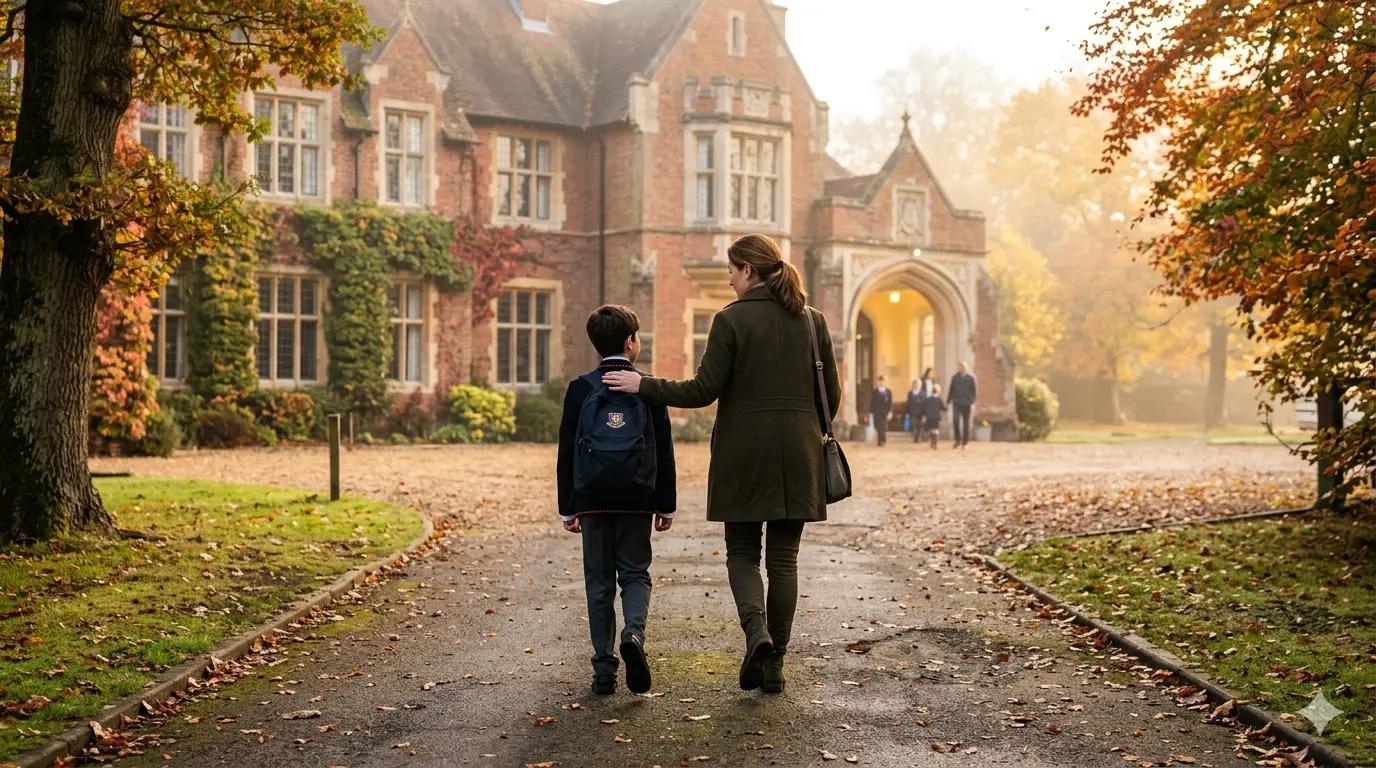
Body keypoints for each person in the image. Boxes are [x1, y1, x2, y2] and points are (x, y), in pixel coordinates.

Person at [603, 233, 840, 695]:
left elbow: (701, 390)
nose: (729, 280)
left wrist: (643, 385)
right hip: (800, 453)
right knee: (785, 560)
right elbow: (830, 396)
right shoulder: (813, 320)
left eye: (732, 271)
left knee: (742, 553)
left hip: (743, 452)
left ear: (748, 270)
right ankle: (776, 663)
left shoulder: (730, 319)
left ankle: (757, 634)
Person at [556, 305, 676, 696]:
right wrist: (665, 503)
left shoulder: (581, 388)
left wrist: (568, 506)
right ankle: (633, 634)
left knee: (599, 582)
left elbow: (566, 451)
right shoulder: (647, 387)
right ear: (630, 342)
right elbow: (663, 449)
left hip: (592, 497)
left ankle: (604, 671)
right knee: (635, 573)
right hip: (637, 495)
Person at [947, 361, 977, 448]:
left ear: (966, 368)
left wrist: (972, 401)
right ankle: (957, 440)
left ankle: (965, 442)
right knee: (955, 420)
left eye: (962, 366)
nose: (960, 368)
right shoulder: (954, 378)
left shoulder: (970, 378)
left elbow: (973, 391)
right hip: (956, 402)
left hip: (966, 403)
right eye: (959, 366)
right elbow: (951, 389)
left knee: (966, 423)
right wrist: (948, 400)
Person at [869, 376, 892, 446]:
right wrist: (871, 412)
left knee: (883, 426)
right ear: (877, 382)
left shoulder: (888, 392)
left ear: (884, 382)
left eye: (882, 382)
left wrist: (890, 412)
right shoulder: (875, 391)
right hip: (877, 412)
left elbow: (890, 403)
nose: (881, 383)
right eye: (879, 382)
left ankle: (880, 441)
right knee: (877, 426)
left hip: (885, 412)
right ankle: (882, 439)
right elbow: (872, 402)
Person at [921, 383, 945, 449]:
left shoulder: (927, 399)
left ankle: (932, 443)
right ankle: (935, 443)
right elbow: (943, 407)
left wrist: (924, 415)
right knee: (936, 430)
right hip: (936, 416)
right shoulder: (939, 399)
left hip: (929, 416)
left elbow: (924, 408)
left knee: (931, 430)